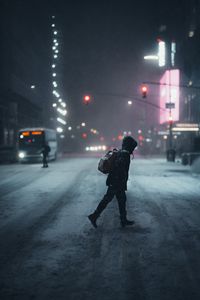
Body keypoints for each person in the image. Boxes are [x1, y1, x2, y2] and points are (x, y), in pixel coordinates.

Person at [88, 136, 138, 228]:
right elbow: (120, 169)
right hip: (116, 183)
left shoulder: (121, 153)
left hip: (116, 182)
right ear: (129, 146)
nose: (133, 150)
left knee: (121, 200)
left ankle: (123, 220)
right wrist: (120, 182)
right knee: (107, 199)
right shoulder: (124, 155)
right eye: (133, 147)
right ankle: (94, 216)